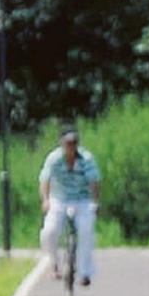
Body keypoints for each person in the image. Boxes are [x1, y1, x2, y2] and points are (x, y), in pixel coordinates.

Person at [39, 122, 101, 287]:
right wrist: (45, 200)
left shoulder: (87, 158)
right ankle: (54, 263)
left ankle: (85, 271)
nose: (71, 147)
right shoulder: (54, 159)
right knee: (49, 231)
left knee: (86, 230)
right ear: (61, 143)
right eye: (67, 143)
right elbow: (45, 179)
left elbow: (94, 181)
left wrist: (95, 203)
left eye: (74, 143)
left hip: (82, 199)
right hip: (59, 198)